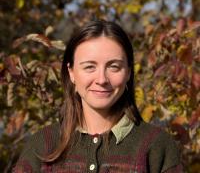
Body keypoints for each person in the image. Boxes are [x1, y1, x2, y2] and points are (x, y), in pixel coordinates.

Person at [13, 20, 182, 172]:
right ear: (71, 72)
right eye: (89, 67)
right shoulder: (42, 144)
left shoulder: (157, 146)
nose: (101, 79)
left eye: (114, 67)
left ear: (129, 72)